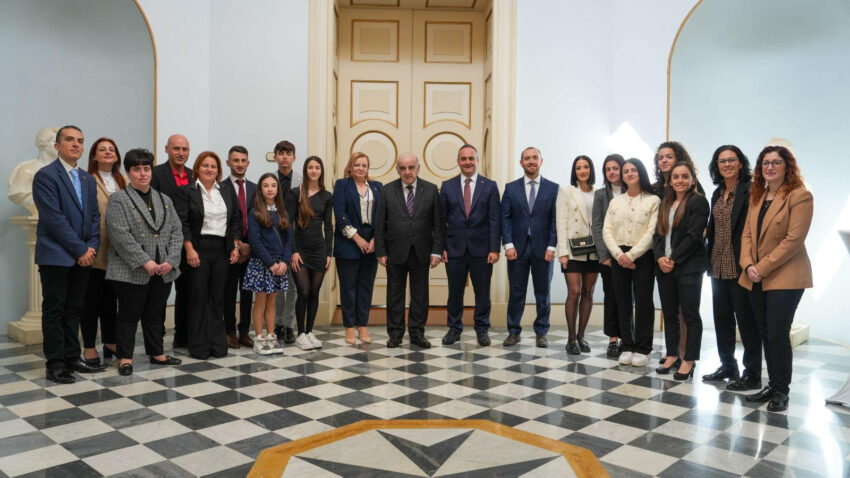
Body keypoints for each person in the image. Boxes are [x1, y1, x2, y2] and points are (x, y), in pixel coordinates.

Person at [739, 145, 813, 412]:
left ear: (787, 167)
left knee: (778, 334)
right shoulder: (757, 196)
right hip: (755, 275)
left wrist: (762, 267)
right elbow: (746, 235)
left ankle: (782, 391)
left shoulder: (800, 196)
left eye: (776, 162)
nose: (769, 167)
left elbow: (794, 240)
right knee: (765, 333)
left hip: (785, 276)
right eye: (765, 163)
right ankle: (772, 384)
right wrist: (748, 265)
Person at [32, 125, 106, 383]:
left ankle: (72, 358)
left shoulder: (86, 178)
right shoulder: (46, 176)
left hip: (84, 255)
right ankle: (55, 363)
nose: (76, 144)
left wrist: (91, 248)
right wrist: (80, 249)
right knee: (55, 309)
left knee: (75, 308)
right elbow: (54, 219)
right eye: (69, 140)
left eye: (80, 141)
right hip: (56, 256)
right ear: (57, 146)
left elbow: (95, 217)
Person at [105, 149, 183, 375]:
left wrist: (171, 260)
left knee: (154, 313)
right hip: (131, 270)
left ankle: (157, 353)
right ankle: (126, 358)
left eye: (146, 169)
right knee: (129, 314)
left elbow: (177, 232)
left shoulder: (163, 199)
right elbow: (120, 236)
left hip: (163, 270)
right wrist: (144, 261)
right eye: (137, 169)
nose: (142, 174)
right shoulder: (118, 199)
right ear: (128, 172)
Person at [703, 145, 761, 390]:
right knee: (722, 319)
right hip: (717, 264)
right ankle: (728, 364)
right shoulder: (717, 193)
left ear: (740, 163)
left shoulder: (751, 190)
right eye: (721, 161)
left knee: (746, 322)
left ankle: (752, 374)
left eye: (731, 160)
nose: (726, 164)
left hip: (740, 265)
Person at [175, 151, 242, 359]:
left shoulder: (226, 191)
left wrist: (234, 245)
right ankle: (199, 346)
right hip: (198, 248)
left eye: (213, 166)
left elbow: (235, 220)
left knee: (217, 298)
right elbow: (182, 223)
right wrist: (189, 249)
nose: (209, 169)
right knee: (198, 298)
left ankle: (217, 344)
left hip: (221, 249)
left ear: (218, 170)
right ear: (197, 168)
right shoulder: (187, 192)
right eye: (205, 165)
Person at [375, 153, 444, 348]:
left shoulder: (430, 190)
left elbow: (438, 224)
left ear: (418, 168)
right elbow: (379, 224)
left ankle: (417, 333)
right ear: (397, 170)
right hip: (395, 251)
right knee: (395, 294)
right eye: (403, 168)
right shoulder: (387, 191)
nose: (407, 172)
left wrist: (436, 251)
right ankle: (395, 334)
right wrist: (380, 251)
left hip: (422, 251)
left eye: (411, 167)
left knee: (420, 295)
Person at [652, 161, 709, 380]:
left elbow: (694, 236)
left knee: (690, 314)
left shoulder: (698, 202)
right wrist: (659, 258)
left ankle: (689, 359)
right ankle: (672, 355)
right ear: (670, 180)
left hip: (688, 268)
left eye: (685, 176)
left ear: (693, 179)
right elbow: (657, 235)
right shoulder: (665, 203)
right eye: (676, 177)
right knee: (669, 314)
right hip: (664, 267)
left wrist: (673, 258)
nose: (680, 181)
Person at [440, 144, 501, 347]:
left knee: (482, 292)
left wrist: (494, 248)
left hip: (482, 250)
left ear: (477, 161)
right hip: (454, 248)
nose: (467, 162)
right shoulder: (447, 186)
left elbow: (495, 219)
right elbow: (441, 221)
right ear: (458, 161)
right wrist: (441, 248)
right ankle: (454, 328)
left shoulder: (490, 186)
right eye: (463, 159)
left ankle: (482, 329)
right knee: (454, 291)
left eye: (471, 159)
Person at [603, 158, 660, 367]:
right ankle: (627, 345)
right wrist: (619, 255)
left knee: (644, 302)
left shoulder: (653, 200)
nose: (629, 174)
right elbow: (606, 230)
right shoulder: (615, 202)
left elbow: (651, 232)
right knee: (622, 301)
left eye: (633, 170)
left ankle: (644, 349)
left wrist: (632, 255)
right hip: (619, 255)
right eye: (626, 171)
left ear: (640, 173)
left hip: (642, 255)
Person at [501, 147, 558, 348]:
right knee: (517, 292)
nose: (531, 161)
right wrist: (507, 245)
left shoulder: (553, 188)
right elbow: (505, 218)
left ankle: (541, 331)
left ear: (541, 161)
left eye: (535, 158)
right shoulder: (511, 188)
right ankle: (513, 331)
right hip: (516, 249)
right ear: (521, 162)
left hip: (544, 250)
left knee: (543, 293)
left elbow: (555, 220)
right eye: (527, 158)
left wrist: (552, 246)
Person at [81, 137, 125, 366]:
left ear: (117, 156)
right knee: (91, 300)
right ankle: (89, 346)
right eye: (102, 150)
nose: (108, 152)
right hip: (95, 248)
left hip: (118, 251)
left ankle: (110, 341)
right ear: (94, 156)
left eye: (111, 149)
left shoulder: (123, 180)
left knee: (111, 300)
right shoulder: (86, 179)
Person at [333, 152, 382, 345]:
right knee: (348, 288)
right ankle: (349, 327)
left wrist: (375, 240)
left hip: (372, 245)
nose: (361, 168)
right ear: (350, 167)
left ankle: (362, 325)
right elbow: (340, 214)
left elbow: (383, 216)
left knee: (365, 288)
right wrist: (358, 239)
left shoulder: (378, 187)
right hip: (349, 244)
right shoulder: (342, 185)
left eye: (364, 165)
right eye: (357, 165)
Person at [151, 134, 192, 348]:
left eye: (184, 149)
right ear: (166, 149)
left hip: (188, 245)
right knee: (160, 295)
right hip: (162, 246)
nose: (180, 153)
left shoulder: (194, 176)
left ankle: (182, 337)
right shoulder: (156, 174)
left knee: (186, 293)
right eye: (176, 148)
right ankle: (156, 339)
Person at [244, 173, 292, 355]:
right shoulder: (255, 213)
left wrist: (285, 262)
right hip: (262, 263)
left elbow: (288, 239)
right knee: (261, 300)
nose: (270, 188)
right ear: (260, 189)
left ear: (278, 189)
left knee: (273, 300)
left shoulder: (283, 213)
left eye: (273, 185)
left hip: (280, 265)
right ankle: (259, 337)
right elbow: (255, 242)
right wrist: (270, 263)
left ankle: (271, 335)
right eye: (266, 185)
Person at [557, 155, 599, 355]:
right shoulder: (567, 191)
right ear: (574, 171)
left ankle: (582, 335)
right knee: (574, 291)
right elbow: (561, 222)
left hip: (594, 250)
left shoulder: (598, 193)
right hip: (572, 250)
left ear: (591, 170)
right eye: (578, 168)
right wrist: (562, 253)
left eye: (586, 167)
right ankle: (571, 338)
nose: (582, 171)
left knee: (588, 292)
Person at [290, 156, 333, 350]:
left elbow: (329, 228)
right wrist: (293, 251)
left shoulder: (327, 196)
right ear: (306, 170)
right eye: (310, 167)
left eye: (317, 167)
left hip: (319, 250)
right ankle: (299, 334)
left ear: (321, 171)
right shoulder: (295, 193)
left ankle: (309, 332)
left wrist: (329, 254)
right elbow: (288, 226)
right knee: (304, 291)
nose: (314, 171)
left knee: (314, 292)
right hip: (300, 250)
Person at [221, 145, 256, 349]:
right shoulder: (220, 187)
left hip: (251, 249)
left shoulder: (254, 187)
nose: (240, 164)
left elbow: (259, 218)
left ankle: (244, 331)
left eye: (243, 160)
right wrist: (236, 244)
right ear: (228, 163)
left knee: (247, 292)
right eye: (236, 160)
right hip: (229, 249)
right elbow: (219, 219)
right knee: (229, 291)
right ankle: (229, 332)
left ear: (248, 163)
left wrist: (249, 245)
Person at [592, 154, 624, 358]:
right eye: (608, 169)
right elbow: (596, 225)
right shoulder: (601, 195)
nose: (612, 172)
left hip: (630, 255)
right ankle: (613, 339)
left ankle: (628, 338)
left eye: (615, 168)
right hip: (608, 257)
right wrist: (604, 255)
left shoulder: (633, 191)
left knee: (627, 297)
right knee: (611, 297)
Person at [273, 140, 301, 345]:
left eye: (288, 153)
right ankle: (277, 323)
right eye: (281, 153)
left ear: (293, 157)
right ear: (275, 156)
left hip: (294, 238)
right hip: (273, 237)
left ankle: (289, 325)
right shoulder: (268, 180)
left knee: (291, 286)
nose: (284, 157)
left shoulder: (302, 180)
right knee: (274, 284)